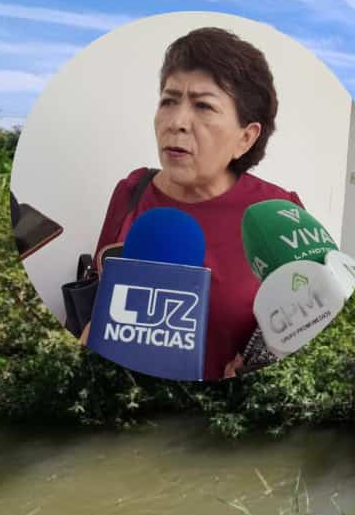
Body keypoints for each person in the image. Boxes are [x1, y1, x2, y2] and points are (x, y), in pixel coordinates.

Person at [89, 27, 302, 380]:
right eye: (169, 100)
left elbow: (304, 328)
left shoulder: (279, 212)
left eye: (203, 106)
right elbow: (105, 302)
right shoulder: (131, 191)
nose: (176, 123)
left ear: (245, 137)